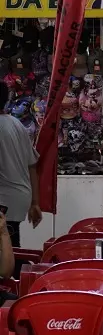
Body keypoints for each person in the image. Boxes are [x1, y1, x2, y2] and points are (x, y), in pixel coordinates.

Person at [0, 83, 42, 248]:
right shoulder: (16, 124)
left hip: (4, 199)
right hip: (19, 197)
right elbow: (32, 166)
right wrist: (35, 202)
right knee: (11, 246)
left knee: (6, 251)